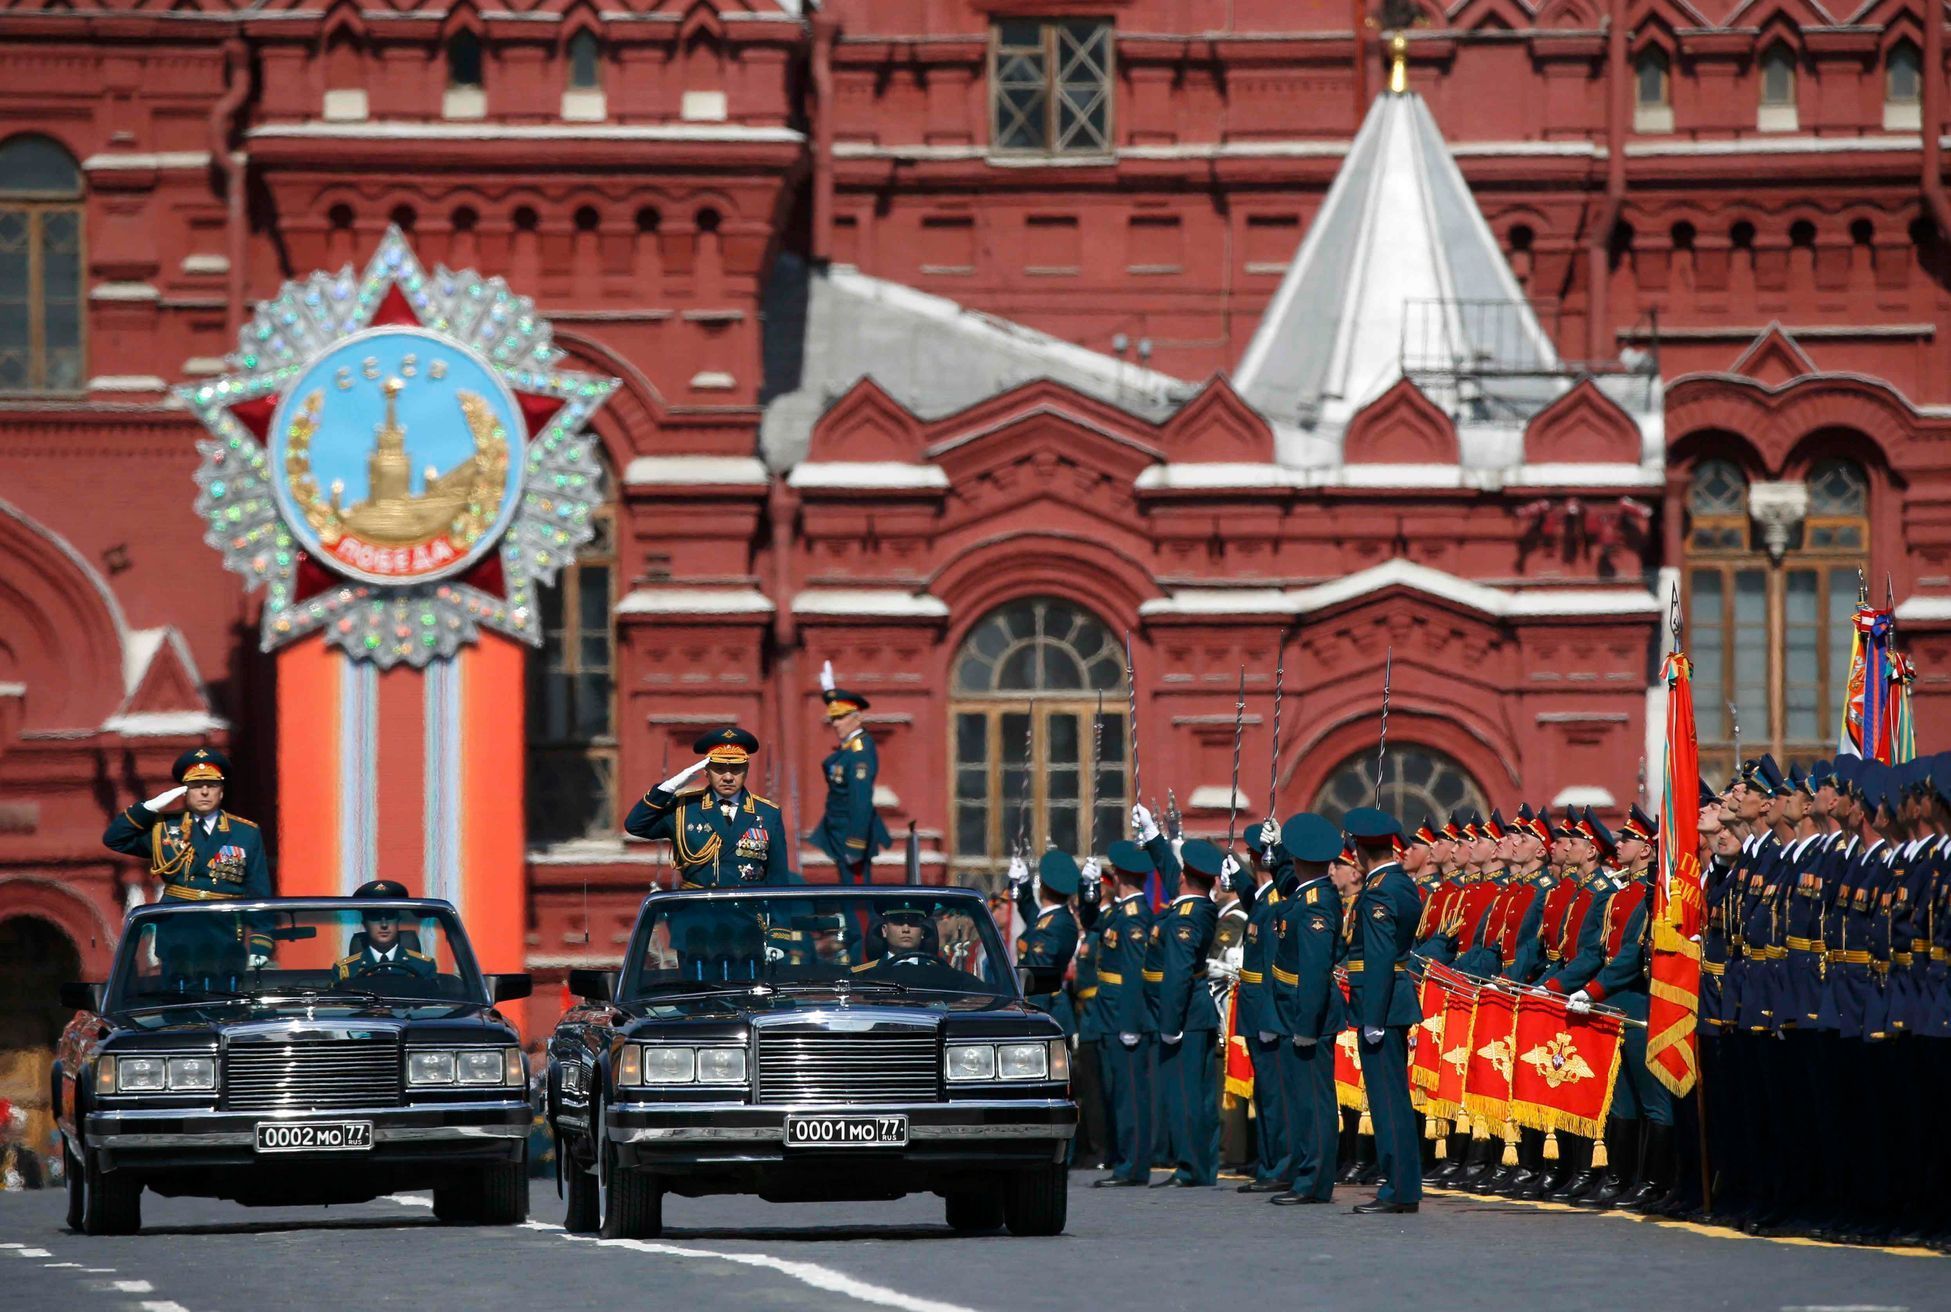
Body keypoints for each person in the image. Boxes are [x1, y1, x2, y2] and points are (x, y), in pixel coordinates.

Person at [102, 746, 274, 965]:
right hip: (177, 934)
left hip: (224, 933)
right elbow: (115, 838)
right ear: (184, 791)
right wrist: (149, 808)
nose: (204, 792)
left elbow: (259, 891)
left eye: (211, 786)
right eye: (195, 786)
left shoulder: (245, 832)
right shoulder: (164, 828)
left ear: (221, 791)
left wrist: (261, 944)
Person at [1342, 805, 1423, 1214]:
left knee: (1388, 1100)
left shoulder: (1380, 892)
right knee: (1393, 1098)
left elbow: (1376, 959)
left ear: (1359, 850)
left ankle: (1398, 1189)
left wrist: (1371, 1016)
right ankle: (1402, 1185)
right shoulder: (1401, 885)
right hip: (1392, 1002)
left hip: (1383, 1006)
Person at [1268, 812, 1348, 1207]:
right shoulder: (1307, 891)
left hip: (1308, 1013)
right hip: (1294, 1010)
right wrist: (1274, 854)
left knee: (1314, 1102)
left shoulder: (1317, 904)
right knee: (1301, 1099)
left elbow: (1315, 972)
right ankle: (1305, 1172)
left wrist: (1306, 1024)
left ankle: (1314, 1181)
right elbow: (1286, 882)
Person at [625, 727, 792, 886]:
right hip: (697, 911)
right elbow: (635, 826)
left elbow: (778, 878)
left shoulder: (768, 813)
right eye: (719, 769)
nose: (728, 777)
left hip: (746, 913)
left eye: (736, 770)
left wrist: (777, 916)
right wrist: (669, 787)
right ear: (706, 772)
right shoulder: (684, 808)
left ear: (746, 770)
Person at [1148, 838, 1223, 1188]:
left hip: (1186, 1014)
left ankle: (1191, 1167)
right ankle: (1201, 1165)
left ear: (1185, 877)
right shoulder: (1197, 907)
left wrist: (1170, 1022)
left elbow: (1178, 972)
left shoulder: (1188, 916)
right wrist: (1154, 840)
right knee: (1200, 1095)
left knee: (1185, 1095)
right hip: (1197, 1011)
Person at [1093, 839, 1158, 1188]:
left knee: (1130, 1094)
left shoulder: (1135, 916)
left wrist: (1131, 1022)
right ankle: (1124, 1159)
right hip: (1110, 1012)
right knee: (1117, 1093)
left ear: (1119, 876)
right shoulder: (1118, 912)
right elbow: (1093, 925)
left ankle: (1133, 1165)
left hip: (1124, 1014)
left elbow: (1134, 973)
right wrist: (1089, 892)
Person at [811, 676, 891, 884]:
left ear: (857, 718)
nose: (836, 723)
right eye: (833, 718)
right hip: (838, 831)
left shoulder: (859, 752)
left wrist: (856, 843)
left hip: (851, 836)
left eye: (842, 717)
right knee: (850, 899)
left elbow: (860, 800)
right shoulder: (848, 748)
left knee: (858, 905)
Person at [334, 879, 437, 981]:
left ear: (398, 921)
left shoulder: (423, 967)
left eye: (389, 916)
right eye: (375, 917)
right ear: (365, 924)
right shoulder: (347, 971)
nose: (384, 925)